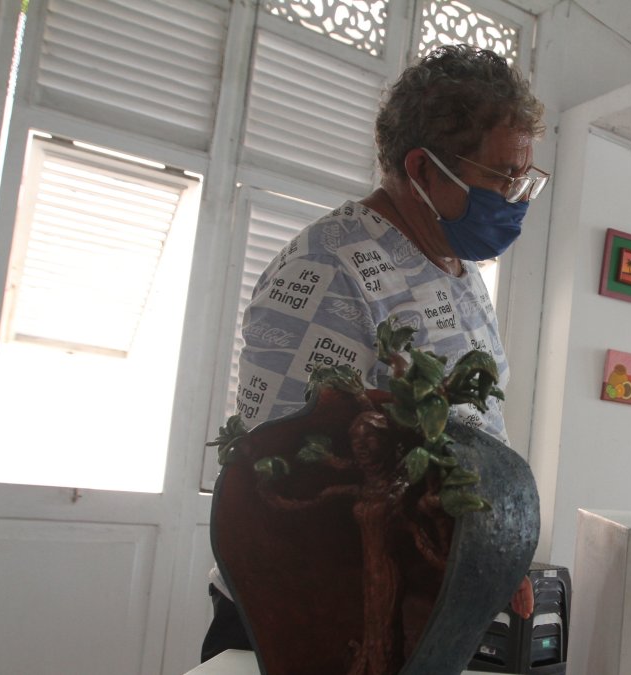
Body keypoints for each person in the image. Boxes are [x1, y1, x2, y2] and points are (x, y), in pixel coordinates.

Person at [202, 44, 546, 662]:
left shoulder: (459, 269)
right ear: (423, 169)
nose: (515, 197)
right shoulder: (327, 269)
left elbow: (474, 427)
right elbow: (280, 480)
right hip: (312, 619)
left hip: (417, 614)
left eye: (523, 179)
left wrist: (495, 545)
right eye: (502, 176)